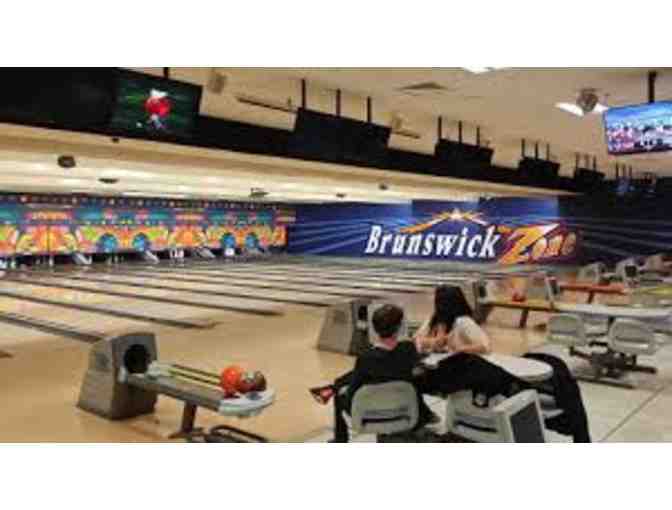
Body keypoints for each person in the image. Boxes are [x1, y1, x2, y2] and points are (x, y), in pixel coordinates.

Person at [326, 304, 436, 443]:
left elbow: (353, 392)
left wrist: (343, 393)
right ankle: (423, 421)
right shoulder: (408, 349)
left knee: (340, 392)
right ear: (399, 328)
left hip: (372, 411)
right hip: (404, 407)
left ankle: (340, 439)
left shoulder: (366, 357)